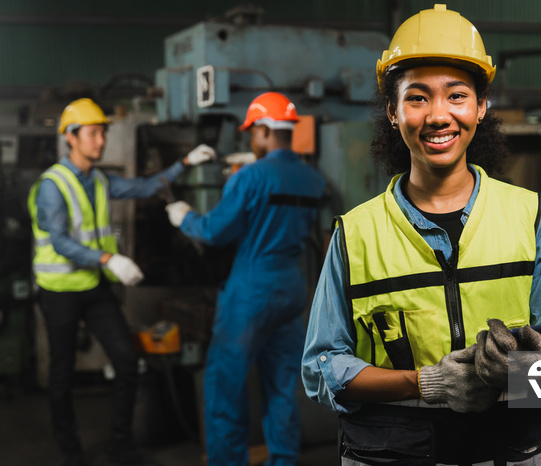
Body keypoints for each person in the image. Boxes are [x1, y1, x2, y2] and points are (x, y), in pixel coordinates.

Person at [301, 4, 541, 465]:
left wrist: (527, 373)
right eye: (417, 97)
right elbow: (323, 366)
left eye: (456, 95)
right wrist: (427, 383)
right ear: (392, 111)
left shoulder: (530, 214)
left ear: (481, 106)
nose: (438, 116)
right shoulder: (355, 233)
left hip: (517, 450)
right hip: (398, 452)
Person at [28, 97, 215, 466]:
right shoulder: (53, 184)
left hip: (94, 288)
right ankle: (70, 453)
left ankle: (120, 445)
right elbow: (60, 241)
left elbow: (145, 188)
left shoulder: (98, 180)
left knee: (127, 362)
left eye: (103, 133)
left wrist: (185, 163)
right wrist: (108, 258)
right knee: (61, 376)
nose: (100, 141)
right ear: (71, 137)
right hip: (60, 292)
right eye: (94, 133)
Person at [164, 92, 326, 466]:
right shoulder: (312, 179)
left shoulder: (250, 177)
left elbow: (215, 232)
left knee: (224, 384)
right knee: (282, 385)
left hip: (251, 291)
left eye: (253, 132)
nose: (251, 140)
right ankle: (284, 460)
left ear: (266, 131)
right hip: (291, 287)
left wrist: (183, 216)